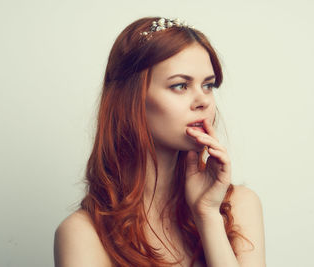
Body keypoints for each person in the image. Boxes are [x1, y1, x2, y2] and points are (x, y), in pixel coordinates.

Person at [54, 17, 266, 267]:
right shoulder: (82, 234)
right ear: (132, 99)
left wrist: (207, 215)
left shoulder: (239, 205)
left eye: (208, 85)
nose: (203, 101)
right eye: (180, 85)